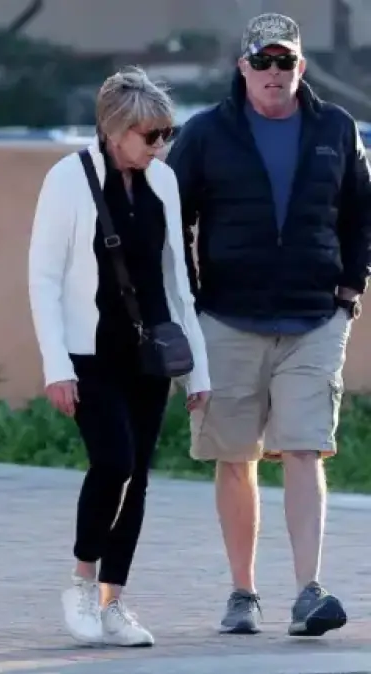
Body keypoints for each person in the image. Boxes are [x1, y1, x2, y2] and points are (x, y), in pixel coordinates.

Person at [166, 13, 369, 637]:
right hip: (228, 317)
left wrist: (350, 288)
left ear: (300, 68)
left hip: (315, 317)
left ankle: (309, 590)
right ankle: (243, 593)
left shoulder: (336, 129)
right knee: (235, 456)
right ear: (244, 67)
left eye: (285, 62)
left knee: (305, 447)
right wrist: (191, 300)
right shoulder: (207, 133)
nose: (274, 73)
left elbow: (360, 213)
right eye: (263, 61)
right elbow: (172, 218)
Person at [29, 68, 211, 646]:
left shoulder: (163, 181)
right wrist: (56, 366)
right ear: (114, 130)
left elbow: (178, 281)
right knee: (114, 462)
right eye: (150, 135)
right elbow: (43, 278)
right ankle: (81, 583)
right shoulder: (68, 178)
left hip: (150, 353)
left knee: (139, 479)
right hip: (91, 353)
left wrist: (197, 371)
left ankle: (114, 602)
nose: (160, 146)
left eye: (166, 134)